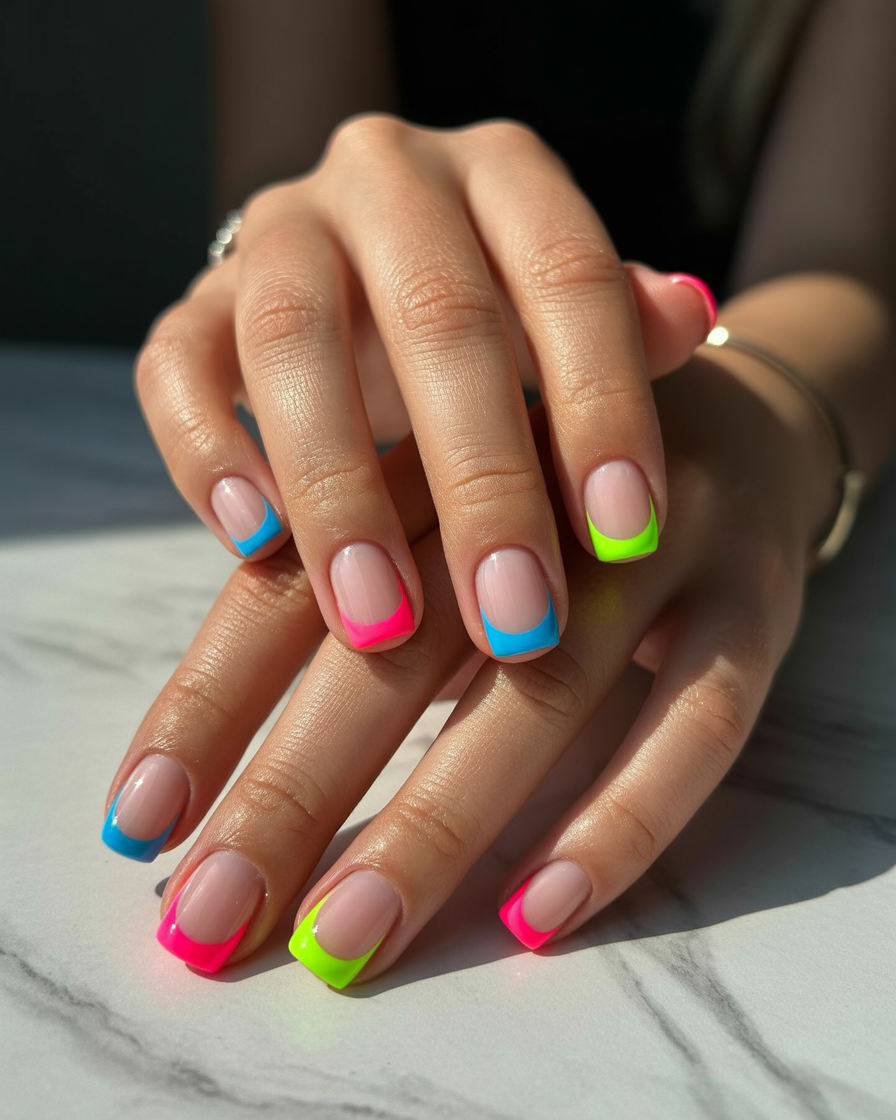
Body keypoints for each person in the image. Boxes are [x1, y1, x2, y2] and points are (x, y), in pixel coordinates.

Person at [102, 0, 896, 987]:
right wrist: (288, 259)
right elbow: (282, 172)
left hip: (686, 425)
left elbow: (841, 263)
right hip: (426, 460)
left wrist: (755, 413)